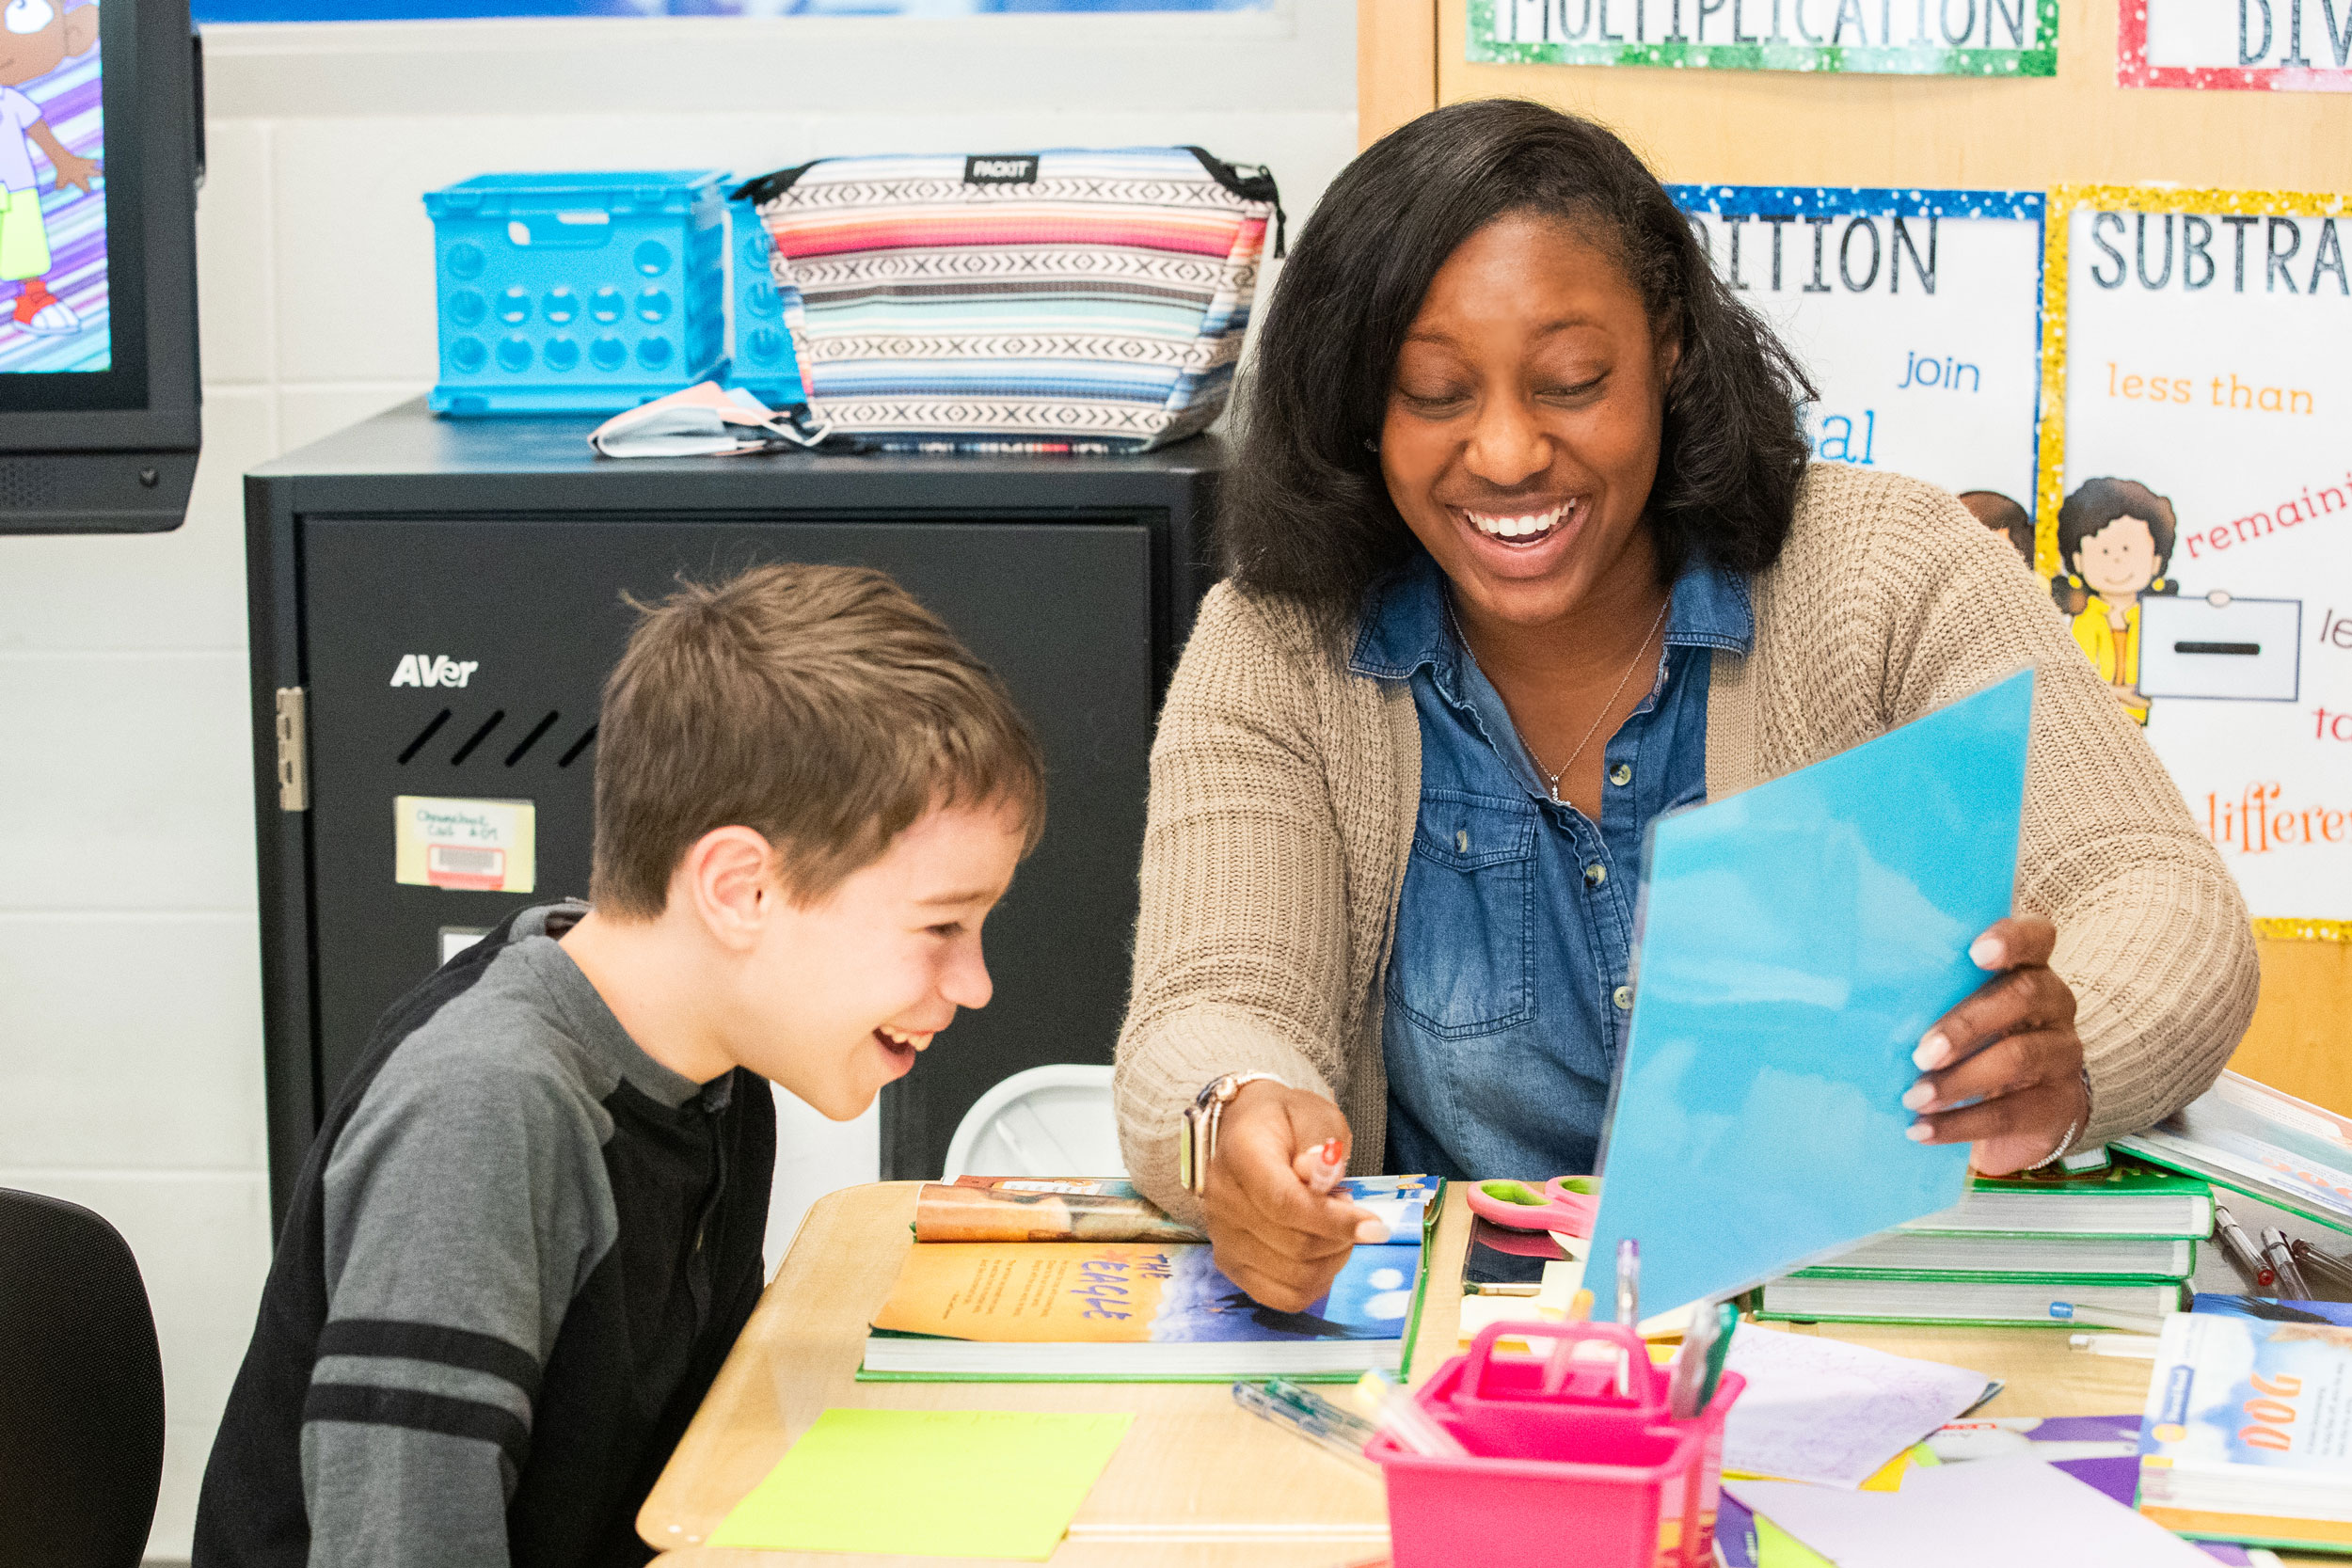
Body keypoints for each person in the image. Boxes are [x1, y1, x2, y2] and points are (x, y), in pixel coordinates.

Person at [1112, 100, 2257, 1313]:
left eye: (1570, 380)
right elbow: (1212, 1004)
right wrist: (1232, 1117)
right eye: (1434, 394)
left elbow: (2159, 894)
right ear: (1357, 404)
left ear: (1667, 346)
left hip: (1858, 1340)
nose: (1504, 453)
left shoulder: (1891, 572)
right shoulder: (1277, 643)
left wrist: (2068, 1061)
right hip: (1467, 1381)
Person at [194, 564, 1045, 1568]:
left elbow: (695, 1461)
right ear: (741, 890)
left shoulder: (711, 1068)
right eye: (942, 922)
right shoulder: (484, 1111)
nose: (976, 981)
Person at [2052, 476, 2183, 725]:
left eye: (2127, 549)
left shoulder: (2156, 620)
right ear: (2078, 561)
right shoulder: (2084, 619)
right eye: (2104, 551)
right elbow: (2077, 683)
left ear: (2156, 560)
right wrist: (2112, 697)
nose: (2117, 561)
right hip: (2095, 728)